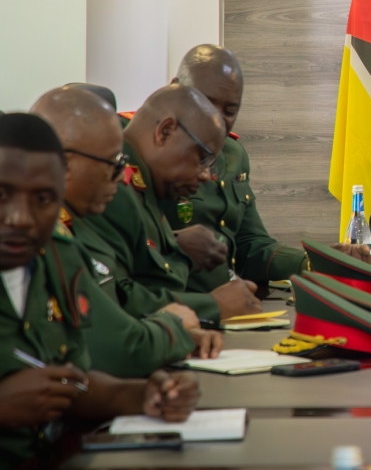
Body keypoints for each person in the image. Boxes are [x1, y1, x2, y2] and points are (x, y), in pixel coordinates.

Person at [0, 113, 200, 466]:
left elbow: (74, 384)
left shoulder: (60, 258)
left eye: (43, 198)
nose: (21, 218)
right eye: (2, 194)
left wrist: (142, 395)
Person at [30, 87, 222, 376]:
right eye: (114, 163)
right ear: (66, 163)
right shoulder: (45, 237)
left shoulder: (68, 228)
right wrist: (174, 326)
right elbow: (120, 348)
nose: (122, 178)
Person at [163, 44, 371, 294]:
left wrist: (316, 263)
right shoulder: (143, 154)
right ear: (175, 89)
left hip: (233, 308)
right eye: (206, 103)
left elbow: (250, 246)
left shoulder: (232, 154)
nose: (217, 120)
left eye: (229, 110)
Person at [98, 84, 261, 321]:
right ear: (165, 131)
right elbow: (116, 299)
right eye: (202, 158)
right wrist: (214, 305)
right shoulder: (112, 188)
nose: (207, 175)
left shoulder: (148, 186)